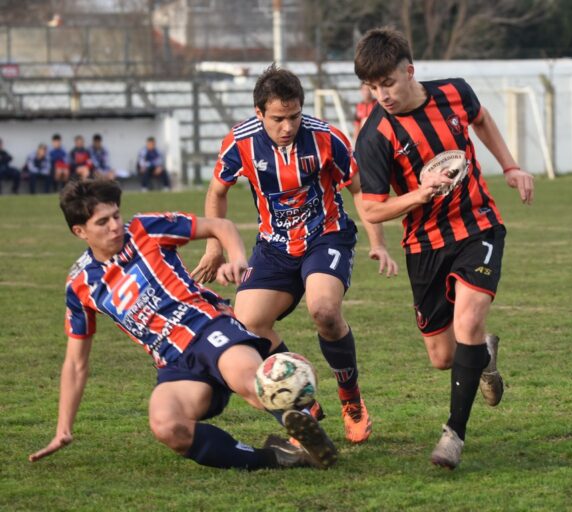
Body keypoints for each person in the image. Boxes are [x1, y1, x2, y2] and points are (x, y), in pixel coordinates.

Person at [28, 179, 338, 471]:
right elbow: (75, 363)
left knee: (250, 383)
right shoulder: (81, 284)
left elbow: (220, 225)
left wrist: (237, 259)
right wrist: (63, 428)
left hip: (208, 327)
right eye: (102, 222)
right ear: (80, 231)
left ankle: (300, 417)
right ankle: (278, 457)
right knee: (167, 426)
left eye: (115, 215)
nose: (114, 226)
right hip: (173, 362)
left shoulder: (144, 229)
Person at [353, 28, 534, 469]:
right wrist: (419, 194)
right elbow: (373, 211)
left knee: (469, 320)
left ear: (409, 72)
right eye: (372, 88)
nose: (382, 95)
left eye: (388, 83)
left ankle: (454, 435)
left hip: (478, 226)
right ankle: (483, 356)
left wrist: (509, 165)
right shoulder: (375, 134)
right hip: (424, 245)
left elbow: (483, 119)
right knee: (444, 357)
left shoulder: (455, 92)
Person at [192, 64, 398, 445]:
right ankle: (302, 401)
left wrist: (378, 242)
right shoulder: (240, 142)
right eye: (277, 119)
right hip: (273, 247)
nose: (287, 126)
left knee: (324, 311)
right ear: (259, 114)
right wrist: (213, 247)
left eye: (294, 116)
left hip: (326, 237)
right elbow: (216, 192)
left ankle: (351, 399)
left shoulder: (326, 138)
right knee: (246, 326)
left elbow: (359, 190)